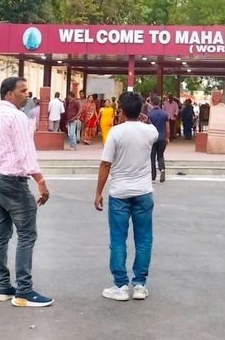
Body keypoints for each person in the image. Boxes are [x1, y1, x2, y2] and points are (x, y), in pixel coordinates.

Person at [0, 76, 52, 307]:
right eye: (23, 91)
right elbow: (26, 152)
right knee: (26, 234)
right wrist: (40, 181)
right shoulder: (17, 117)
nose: (27, 94)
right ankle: (24, 290)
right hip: (14, 181)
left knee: (1, 234)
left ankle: (2, 286)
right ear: (9, 94)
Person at [94, 91, 158, 302]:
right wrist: (144, 118)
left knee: (118, 239)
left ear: (120, 109)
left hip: (119, 193)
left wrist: (98, 192)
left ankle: (120, 285)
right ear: (141, 109)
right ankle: (139, 284)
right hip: (143, 192)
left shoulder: (115, 132)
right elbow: (152, 128)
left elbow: (105, 164)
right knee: (144, 239)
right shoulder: (150, 132)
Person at [148, 95, 169, 183]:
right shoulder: (164, 113)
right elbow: (167, 127)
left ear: (152, 103)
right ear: (159, 103)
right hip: (161, 137)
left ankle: (153, 176)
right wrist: (167, 137)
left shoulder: (149, 114)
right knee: (160, 155)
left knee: (152, 156)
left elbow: (147, 127)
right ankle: (162, 169)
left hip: (152, 138)